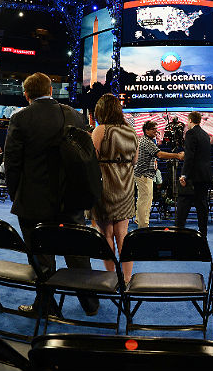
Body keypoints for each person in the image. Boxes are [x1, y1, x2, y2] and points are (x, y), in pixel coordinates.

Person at [4, 72, 99, 316]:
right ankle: (90, 302)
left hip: (33, 202)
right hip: (71, 200)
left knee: (41, 258)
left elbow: (12, 163)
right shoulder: (75, 116)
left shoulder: (21, 118)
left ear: (27, 95)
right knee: (77, 252)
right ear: (51, 91)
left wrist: (17, 195)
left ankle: (46, 306)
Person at [91, 94, 139, 283]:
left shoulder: (100, 130)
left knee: (106, 235)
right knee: (123, 235)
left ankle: (111, 278)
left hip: (105, 186)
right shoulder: (131, 131)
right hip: (126, 187)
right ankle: (127, 279)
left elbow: (92, 159)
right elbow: (134, 160)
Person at [134, 121, 184, 228]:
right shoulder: (146, 141)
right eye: (153, 129)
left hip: (145, 174)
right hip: (144, 174)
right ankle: (143, 225)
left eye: (156, 128)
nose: (156, 130)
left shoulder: (148, 140)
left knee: (144, 199)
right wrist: (177, 156)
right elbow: (160, 155)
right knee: (145, 200)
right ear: (146, 131)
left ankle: (140, 220)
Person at [177, 111, 212, 236]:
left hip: (193, 177)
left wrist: (184, 175)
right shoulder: (205, 134)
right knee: (202, 206)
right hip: (205, 175)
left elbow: (189, 156)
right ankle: (203, 233)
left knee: (182, 205)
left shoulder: (190, 133)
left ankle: (178, 232)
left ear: (190, 120)